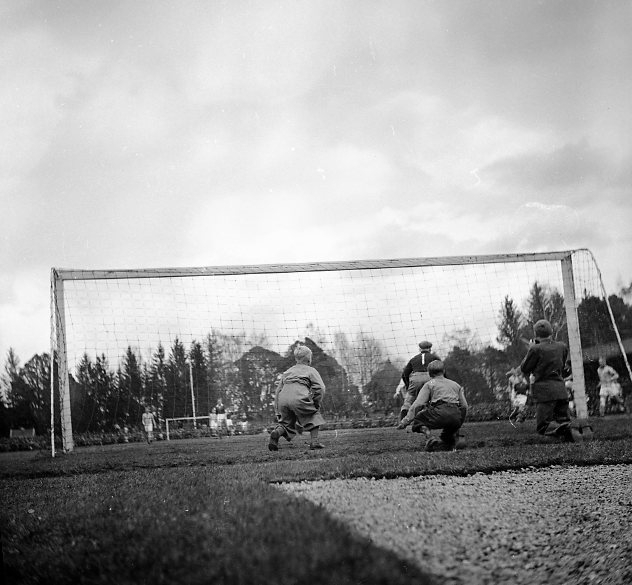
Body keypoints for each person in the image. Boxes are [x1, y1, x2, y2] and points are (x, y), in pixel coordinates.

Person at [397, 360, 468, 451]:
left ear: (429, 374)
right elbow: (464, 406)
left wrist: (405, 422)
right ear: (444, 371)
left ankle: (429, 438)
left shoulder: (429, 385)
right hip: (455, 416)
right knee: (447, 435)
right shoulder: (456, 385)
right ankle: (454, 441)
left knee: (418, 420)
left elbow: (418, 405)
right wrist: (459, 422)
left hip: (439, 413)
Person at [520, 319, 572, 439]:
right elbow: (562, 365)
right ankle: (571, 430)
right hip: (561, 390)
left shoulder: (535, 349)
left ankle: (564, 430)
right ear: (551, 331)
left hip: (544, 393)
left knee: (543, 427)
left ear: (535, 334)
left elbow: (524, 368)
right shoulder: (562, 346)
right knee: (564, 419)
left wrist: (531, 349)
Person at [268, 345, 326, 451]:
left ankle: (276, 433)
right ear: (309, 359)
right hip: (299, 398)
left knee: (286, 423)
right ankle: (314, 442)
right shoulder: (311, 370)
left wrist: (277, 410)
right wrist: (315, 402)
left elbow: (278, 391)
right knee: (313, 416)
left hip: (283, 399)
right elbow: (320, 388)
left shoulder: (287, 372)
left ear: (296, 358)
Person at [399, 341, 441, 420]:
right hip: (430, 377)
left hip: (416, 378)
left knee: (409, 399)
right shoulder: (435, 358)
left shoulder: (413, 359)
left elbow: (404, 374)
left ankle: (405, 410)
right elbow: (442, 371)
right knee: (433, 398)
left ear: (420, 349)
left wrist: (409, 387)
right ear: (430, 349)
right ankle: (433, 417)